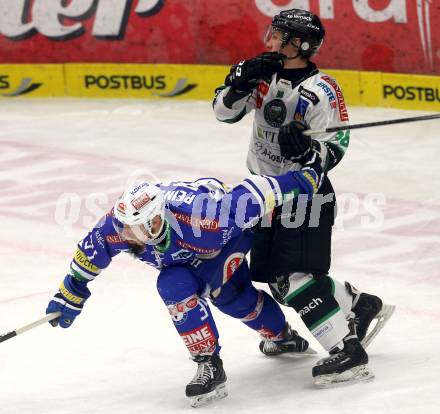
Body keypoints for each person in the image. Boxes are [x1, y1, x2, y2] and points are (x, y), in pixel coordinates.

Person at [45, 151, 322, 407]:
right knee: (178, 285)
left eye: (132, 230)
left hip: (225, 245)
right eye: (123, 227)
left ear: (155, 222)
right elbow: (92, 250)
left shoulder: (206, 219)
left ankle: (276, 337)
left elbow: (255, 193)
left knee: (231, 298)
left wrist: (303, 179)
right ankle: (229, 356)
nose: (124, 236)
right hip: (185, 260)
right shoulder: (123, 225)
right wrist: (71, 292)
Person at [212, 8, 395, 387]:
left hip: (303, 196)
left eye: (279, 36)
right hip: (264, 193)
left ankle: (346, 351)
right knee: (276, 281)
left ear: (301, 44)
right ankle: (360, 305)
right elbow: (222, 114)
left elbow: (336, 144)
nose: (270, 41)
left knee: (293, 278)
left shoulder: (322, 89)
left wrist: (307, 154)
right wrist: (239, 83)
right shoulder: (261, 71)